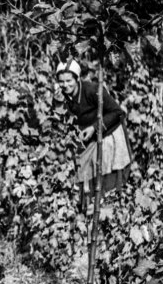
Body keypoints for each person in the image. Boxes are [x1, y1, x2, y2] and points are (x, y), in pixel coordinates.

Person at [54, 59, 134, 205]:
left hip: (108, 133)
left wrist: (94, 127)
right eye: (61, 81)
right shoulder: (63, 97)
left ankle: (107, 208)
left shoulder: (92, 91)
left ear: (77, 79)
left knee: (104, 176)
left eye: (69, 81)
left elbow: (117, 112)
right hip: (88, 139)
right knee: (84, 175)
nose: (65, 85)